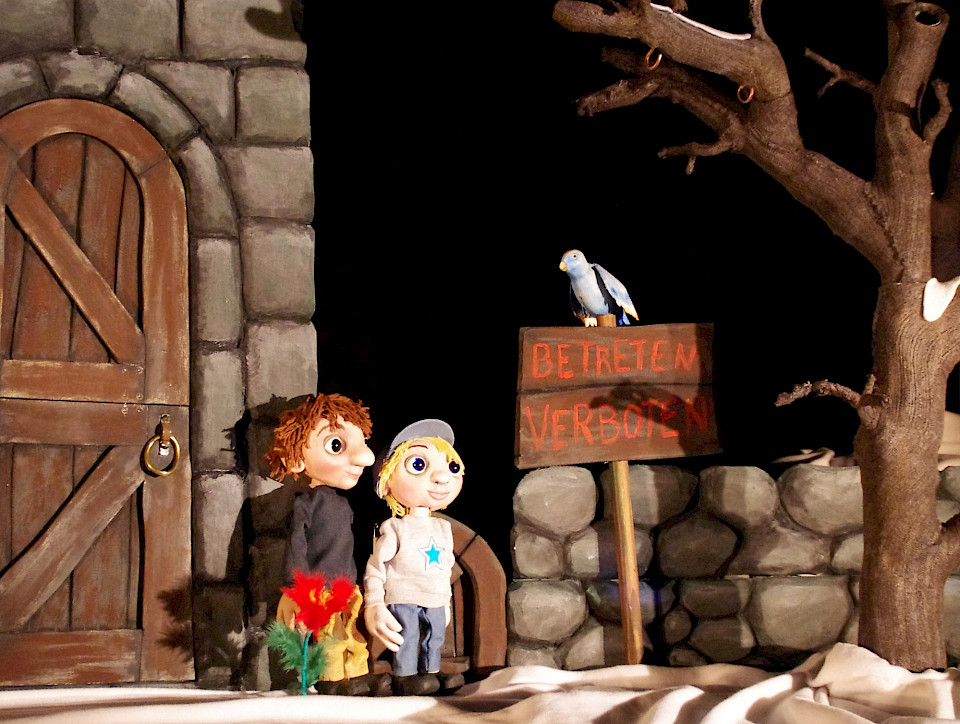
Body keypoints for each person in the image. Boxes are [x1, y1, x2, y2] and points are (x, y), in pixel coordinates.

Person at [265, 392, 386, 695]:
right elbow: (296, 547)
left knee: (351, 634)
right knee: (329, 637)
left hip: (346, 586)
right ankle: (332, 679)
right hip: (319, 588)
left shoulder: (344, 503)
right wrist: (297, 588)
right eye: (336, 445)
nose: (365, 458)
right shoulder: (305, 504)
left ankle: (356, 674)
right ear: (296, 459)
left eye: (362, 444)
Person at [363, 419, 465, 696]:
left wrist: (445, 601)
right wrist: (374, 602)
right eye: (418, 464)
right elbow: (376, 567)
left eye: (451, 466)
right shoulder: (395, 527)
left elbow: (445, 568)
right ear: (387, 479)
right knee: (406, 635)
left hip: (435, 597)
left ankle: (431, 671)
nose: (442, 477)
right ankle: (405, 675)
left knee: (436, 637)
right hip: (404, 595)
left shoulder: (443, 528)